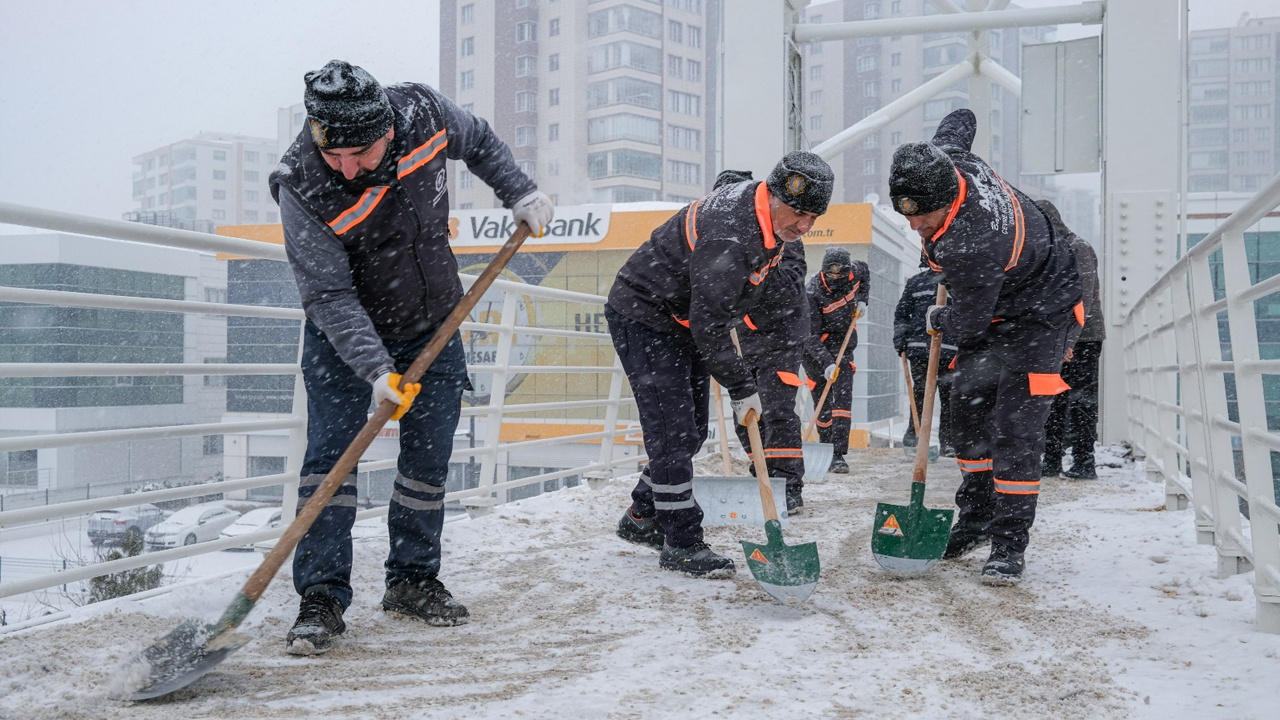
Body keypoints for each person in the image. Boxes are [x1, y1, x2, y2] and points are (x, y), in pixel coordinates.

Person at [269, 60, 554, 654]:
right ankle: (320, 598)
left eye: (362, 154)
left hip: (435, 323)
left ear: (388, 130)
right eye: (335, 154)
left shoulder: (421, 113)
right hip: (347, 340)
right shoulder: (301, 184)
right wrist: (375, 369)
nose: (348, 168)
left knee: (428, 462)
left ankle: (412, 579)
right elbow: (328, 294)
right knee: (332, 465)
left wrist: (519, 190)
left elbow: (477, 140)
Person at [607, 152, 834, 577]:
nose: (805, 226)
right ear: (774, 194)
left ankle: (642, 516)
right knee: (671, 429)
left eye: (814, 217)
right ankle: (682, 542)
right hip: (645, 316)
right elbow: (710, 323)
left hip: (680, 319)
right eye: (800, 213)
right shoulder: (733, 232)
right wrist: (742, 386)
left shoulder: (768, 223)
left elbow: (728, 306)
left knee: (689, 429)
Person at [889, 108, 1082, 584]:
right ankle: (974, 519)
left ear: (947, 199)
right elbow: (962, 118)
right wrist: (933, 237)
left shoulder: (974, 243)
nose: (915, 227)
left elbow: (969, 323)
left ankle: (1008, 543)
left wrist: (939, 315)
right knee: (967, 414)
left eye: (922, 218)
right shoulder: (947, 161)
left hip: (1041, 313)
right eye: (906, 215)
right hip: (997, 303)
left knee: (1015, 429)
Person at [714, 170, 815, 514]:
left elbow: (788, 285)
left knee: (775, 409)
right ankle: (760, 472)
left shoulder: (782, 233)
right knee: (746, 411)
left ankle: (786, 483)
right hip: (742, 336)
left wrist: (750, 271)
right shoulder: (719, 236)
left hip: (782, 335)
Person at [1037, 200, 1106, 480]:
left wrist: (1069, 341)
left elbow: (1084, 299)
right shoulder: (1051, 251)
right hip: (1060, 339)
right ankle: (1052, 460)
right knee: (1054, 401)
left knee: (1082, 401)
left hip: (1084, 338)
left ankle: (1084, 461)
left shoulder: (1078, 248)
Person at [801, 247, 870, 474]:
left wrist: (862, 300)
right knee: (822, 405)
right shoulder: (811, 293)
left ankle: (838, 454)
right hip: (815, 353)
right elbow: (809, 336)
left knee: (841, 401)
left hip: (843, 346)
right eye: (831, 274)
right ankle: (825, 446)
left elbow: (865, 273)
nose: (836, 278)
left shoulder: (855, 272)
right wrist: (827, 363)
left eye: (840, 274)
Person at [893, 253, 958, 455]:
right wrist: (900, 339)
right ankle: (914, 435)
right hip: (920, 349)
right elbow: (902, 314)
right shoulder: (916, 282)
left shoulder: (958, 284)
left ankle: (948, 442)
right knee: (919, 393)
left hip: (949, 351)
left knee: (949, 398)